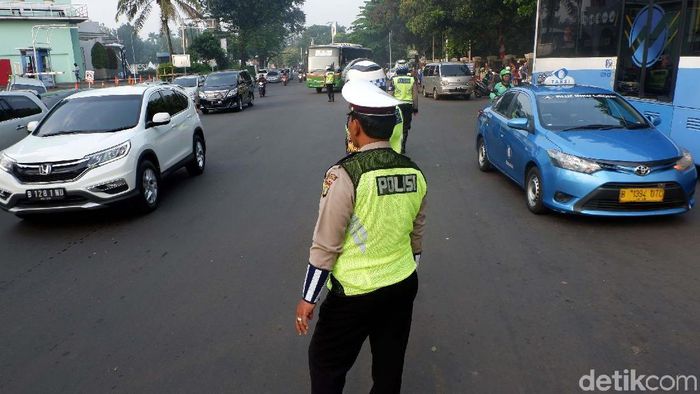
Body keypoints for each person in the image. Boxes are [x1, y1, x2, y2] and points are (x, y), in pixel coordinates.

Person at [296, 79, 428, 394]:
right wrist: (401, 271)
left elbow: (326, 243)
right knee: (389, 366)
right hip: (401, 285)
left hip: (354, 294)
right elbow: (416, 234)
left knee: (325, 364)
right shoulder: (413, 171)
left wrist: (308, 298)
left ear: (355, 127)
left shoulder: (345, 175)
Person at [391, 66, 419, 154]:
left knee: (396, 125)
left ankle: (396, 145)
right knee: (405, 127)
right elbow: (415, 96)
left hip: (397, 105)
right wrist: (415, 108)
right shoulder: (411, 80)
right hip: (408, 106)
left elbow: (390, 93)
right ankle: (402, 147)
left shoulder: (394, 80)